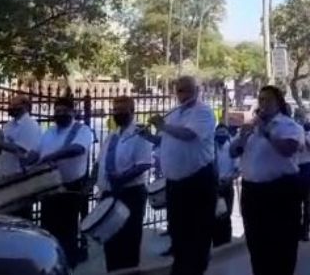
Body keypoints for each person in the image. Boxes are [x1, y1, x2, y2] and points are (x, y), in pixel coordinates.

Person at [231, 85, 304, 275]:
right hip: (252, 192)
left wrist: (267, 132)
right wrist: (243, 136)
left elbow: (288, 150)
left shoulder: (288, 126)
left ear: (278, 103)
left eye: (268, 100)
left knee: (282, 246)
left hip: (280, 192)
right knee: (256, 245)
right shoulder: (251, 127)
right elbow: (233, 152)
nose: (263, 104)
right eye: (261, 99)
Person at [158, 76, 217, 275]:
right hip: (176, 183)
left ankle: (195, 269)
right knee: (177, 230)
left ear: (196, 91)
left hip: (197, 180)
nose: (183, 95)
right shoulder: (174, 114)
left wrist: (163, 126)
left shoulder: (203, 111)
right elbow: (166, 141)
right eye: (179, 91)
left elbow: (189, 135)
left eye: (187, 90)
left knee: (197, 232)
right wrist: (148, 136)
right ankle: (180, 267)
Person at [25, 97, 93, 268]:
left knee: (67, 231)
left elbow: (77, 149)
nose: (60, 114)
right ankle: (52, 265)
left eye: (64, 111)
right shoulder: (49, 132)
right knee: (48, 229)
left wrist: (52, 156)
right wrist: (27, 159)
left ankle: (68, 265)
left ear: (73, 112)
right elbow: (36, 152)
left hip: (70, 188)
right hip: (48, 188)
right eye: (57, 111)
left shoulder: (82, 130)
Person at [95, 96, 153, 272]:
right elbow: (100, 162)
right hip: (109, 194)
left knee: (128, 242)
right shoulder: (113, 135)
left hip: (130, 194)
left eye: (122, 110)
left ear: (132, 111)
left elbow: (144, 164)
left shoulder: (140, 133)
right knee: (110, 242)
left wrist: (122, 178)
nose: (117, 114)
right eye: (115, 110)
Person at [0, 95, 42, 220]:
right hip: (5, 177)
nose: (10, 107)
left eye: (14, 105)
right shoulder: (9, 125)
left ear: (25, 107)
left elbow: (21, 149)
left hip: (20, 179)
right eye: (10, 104)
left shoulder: (30, 125)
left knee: (20, 218)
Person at [294, 107, 310, 241]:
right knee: (295, 202)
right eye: (297, 116)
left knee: (307, 201)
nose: (299, 119)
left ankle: (306, 230)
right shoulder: (295, 130)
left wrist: (304, 137)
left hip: (307, 167)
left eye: (301, 116)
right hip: (295, 167)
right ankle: (296, 229)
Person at [213, 123, 239, 247]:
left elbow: (237, 169)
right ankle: (216, 242)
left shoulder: (231, 148)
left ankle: (226, 243)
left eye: (224, 133)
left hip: (227, 186)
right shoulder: (211, 148)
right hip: (214, 186)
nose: (221, 136)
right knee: (214, 216)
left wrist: (229, 179)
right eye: (219, 133)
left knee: (226, 215)